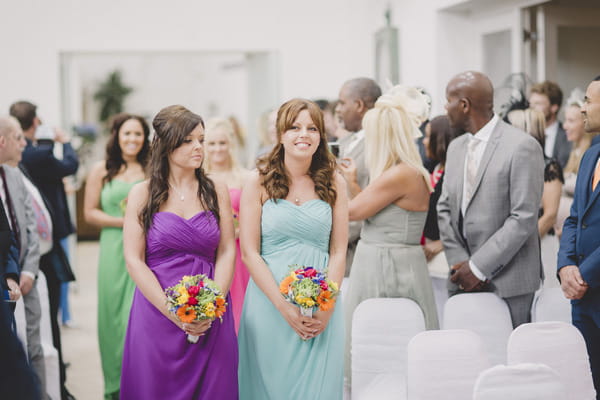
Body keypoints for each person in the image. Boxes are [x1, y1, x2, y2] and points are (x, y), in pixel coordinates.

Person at [120, 105, 237, 399]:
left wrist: (212, 305)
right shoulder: (142, 193)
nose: (199, 147)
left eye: (201, 138)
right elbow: (134, 260)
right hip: (156, 310)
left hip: (212, 311)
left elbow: (225, 251)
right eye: (188, 140)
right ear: (166, 145)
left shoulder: (215, 189)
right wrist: (174, 311)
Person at [238, 98, 348, 399]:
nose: (304, 134)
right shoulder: (258, 181)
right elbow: (249, 252)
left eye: (312, 128)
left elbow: (339, 250)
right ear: (280, 134)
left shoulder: (334, 181)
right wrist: (284, 306)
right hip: (269, 303)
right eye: (295, 127)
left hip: (321, 304)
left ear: (321, 135)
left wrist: (328, 306)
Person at [339, 86, 438, 382]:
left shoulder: (401, 174)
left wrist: (329, 185)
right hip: (390, 258)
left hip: (387, 265)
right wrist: (354, 183)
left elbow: (353, 213)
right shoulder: (401, 172)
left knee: (380, 341)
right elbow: (376, 211)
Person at [438, 71, 544, 328]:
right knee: (468, 357)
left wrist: (478, 267)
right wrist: (461, 265)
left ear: (464, 105)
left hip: (509, 281)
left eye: (448, 100)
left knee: (512, 359)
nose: (444, 107)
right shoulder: (456, 147)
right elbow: (444, 208)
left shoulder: (521, 146)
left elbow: (523, 218)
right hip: (462, 277)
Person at [10, 101, 78, 400]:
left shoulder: (26, 159)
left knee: (44, 321)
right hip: (34, 256)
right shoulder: (38, 154)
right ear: (35, 121)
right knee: (45, 319)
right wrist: (67, 143)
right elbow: (70, 166)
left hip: (34, 253)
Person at [83, 113, 149, 400]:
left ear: (145, 139)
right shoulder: (101, 170)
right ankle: (115, 387)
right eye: (127, 134)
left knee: (140, 316)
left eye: (138, 134)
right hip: (113, 248)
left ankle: (143, 384)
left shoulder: (151, 169)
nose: (132, 139)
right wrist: (125, 221)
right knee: (112, 318)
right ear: (117, 137)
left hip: (146, 249)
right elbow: (89, 212)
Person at [557, 76, 600, 398]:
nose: (582, 108)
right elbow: (575, 219)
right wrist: (565, 266)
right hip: (583, 297)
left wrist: (583, 274)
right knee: (588, 383)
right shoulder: (590, 155)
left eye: (588, 101)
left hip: (589, 280)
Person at [0, 116, 47, 398]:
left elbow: (24, 228)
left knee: (33, 346)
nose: (24, 144)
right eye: (18, 138)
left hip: (20, 277)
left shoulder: (15, 175)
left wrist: (21, 272)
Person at [507, 109, 563, 287]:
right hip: (511, 247)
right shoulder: (510, 166)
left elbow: (550, 216)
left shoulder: (549, 167)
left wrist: (517, 244)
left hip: (540, 245)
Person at [204, 117, 250, 333]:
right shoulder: (200, 179)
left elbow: (253, 217)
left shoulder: (244, 178)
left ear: (230, 144)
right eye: (211, 144)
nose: (217, 149)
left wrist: (238, 230)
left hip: (241, 252)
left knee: (241, 313)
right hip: (211, 252)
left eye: (222, 143)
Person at [335, 77, 382, 274]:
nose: (337, 109)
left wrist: (333, 237)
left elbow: (373, 201)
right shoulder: (345, 142)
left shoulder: (377, 145)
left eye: (342, 103)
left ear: (359, 105)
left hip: (356, 253)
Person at [422, 115, 461, 318]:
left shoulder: (455, 173)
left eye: (428, 136)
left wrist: (440, 243)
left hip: (446, 256)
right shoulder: (433, 169)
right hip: (430, 255)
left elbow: (462, 218)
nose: (423, 141)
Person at [556, 90, 595, 237]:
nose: (565, 126)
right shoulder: (572, 152)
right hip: (563, 232)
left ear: (584, 122)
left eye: (571, 121)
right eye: (565, 120)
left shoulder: (592, 154)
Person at [529, 80, 571, 168]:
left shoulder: (568, 136)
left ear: (554, 107)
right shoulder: (526, 134)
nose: (531, 108)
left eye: (537, 104)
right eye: (531, 104)